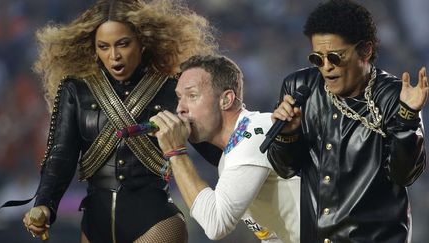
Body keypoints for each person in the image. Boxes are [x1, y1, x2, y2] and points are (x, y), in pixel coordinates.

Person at [6, 0, 218, 242]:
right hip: (95, 224)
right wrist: (44, 205)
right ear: (93, 48)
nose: (114, 56)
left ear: (143, 41)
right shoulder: (76, 89)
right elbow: (60, 155)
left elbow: (213, 149)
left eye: (123, 44)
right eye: (104, 47)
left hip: (156, 222)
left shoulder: (173, 88)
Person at [266, 0, 428, 242]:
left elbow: (404, 176)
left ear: (366, 51)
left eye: (335, 57)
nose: (327, 67)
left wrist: (407, 119)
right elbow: (285, 169)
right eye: (317, 59)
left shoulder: (395, 96)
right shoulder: (300, 87)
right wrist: (287, 135)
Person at [149, 55, 300, 243]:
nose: (180, 109)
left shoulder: (252, 134)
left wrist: (176, 151)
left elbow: (215, 225)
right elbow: (272, 236)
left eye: (192, 96)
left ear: (226, 100)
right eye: (179, 98)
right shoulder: (230, 154)